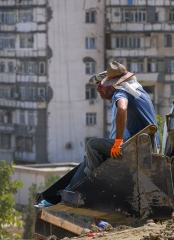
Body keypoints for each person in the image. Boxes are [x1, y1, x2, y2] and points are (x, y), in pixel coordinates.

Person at [63, 61, 160, 196]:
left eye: (102, 85)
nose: (98, 90)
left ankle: (89, 188)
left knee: (93, 145)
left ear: (114, 84)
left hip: (140, 148)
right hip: (145, 145)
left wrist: (118, 142)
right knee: (91, 157)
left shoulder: (122, 92)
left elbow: (122, 108)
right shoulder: (136, 90)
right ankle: (68, 191)